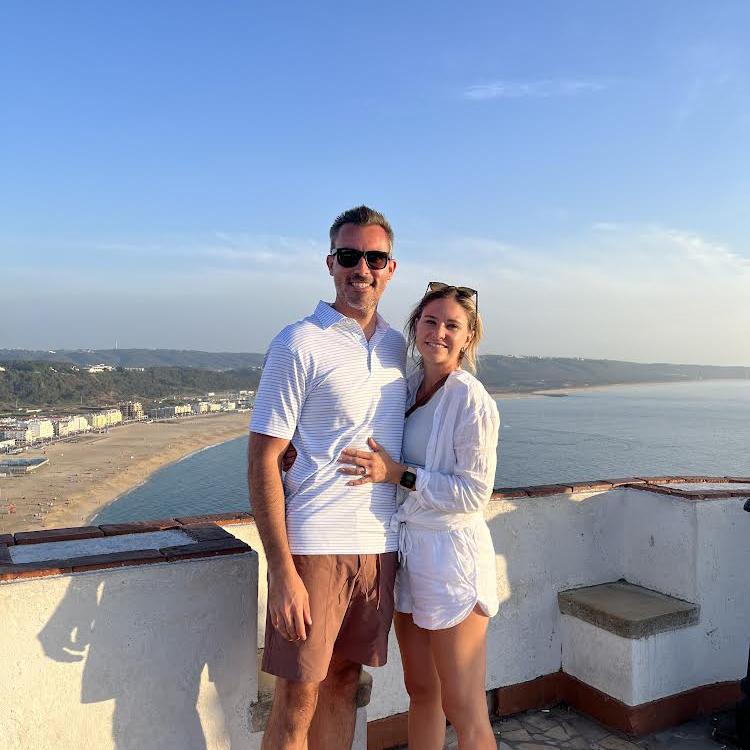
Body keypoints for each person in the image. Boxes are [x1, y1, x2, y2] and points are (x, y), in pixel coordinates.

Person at [247, 205, 407, 750]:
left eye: (375, 258)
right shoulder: (298, 342)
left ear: (391, 268)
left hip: (379, 547)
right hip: (315, 546)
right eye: (349, 256)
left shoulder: (397, 349)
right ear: (331, 263)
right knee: (297, 699)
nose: (361, 268)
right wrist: (282, 570)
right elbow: (264, 458)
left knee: (344, 685)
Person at [338, 282, 500, 750]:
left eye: (453, 325)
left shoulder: (470, 400)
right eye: (431, 321)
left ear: (468, 338)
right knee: (422, 692)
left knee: (464, 707)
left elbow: (473, 494)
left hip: (452, 561)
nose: (440, 332)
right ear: (416, 328)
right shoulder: (407, 386)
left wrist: (398, 474)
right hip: (412, 559)